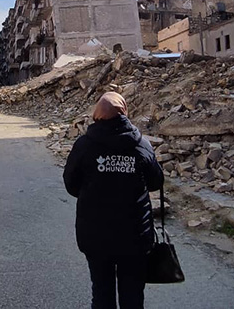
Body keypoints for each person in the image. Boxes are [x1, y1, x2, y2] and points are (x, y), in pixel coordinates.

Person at [63, 92, 163, 309]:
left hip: (95, 236)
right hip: (135, 236)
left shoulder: (84, 146)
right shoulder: (141, 145)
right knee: (133, 295)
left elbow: (71, 184)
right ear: (124, 112)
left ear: (97, 114)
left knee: (101, 292)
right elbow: (156, 182)